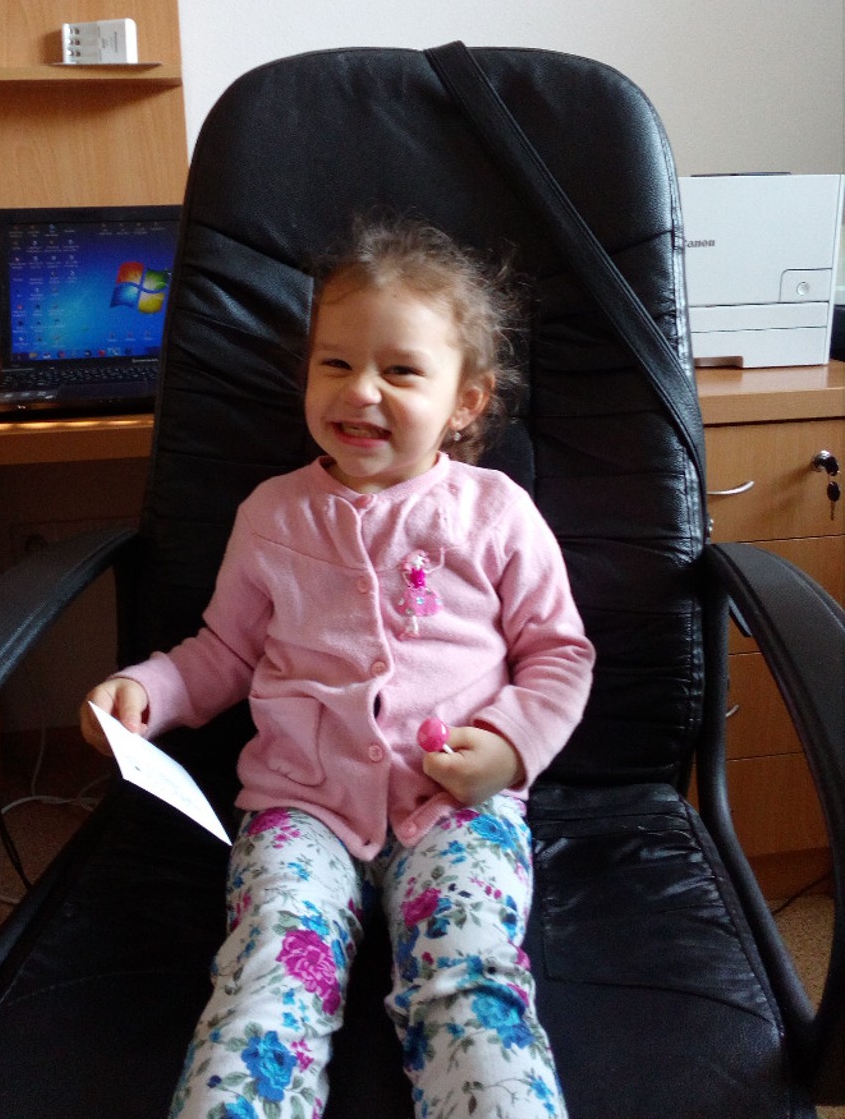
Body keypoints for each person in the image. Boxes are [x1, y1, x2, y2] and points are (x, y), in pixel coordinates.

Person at [80, 219, 595, 1119]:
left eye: (400, 371)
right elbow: (224, 652)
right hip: (300, 808)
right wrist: (146, 692)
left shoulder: (493, 511)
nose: (360, 391)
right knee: (266, 975)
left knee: (468, 979)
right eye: (335, 364)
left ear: (465, 401)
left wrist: (510, 749)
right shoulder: (273, 513)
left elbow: (558, 653)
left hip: (454, 806)